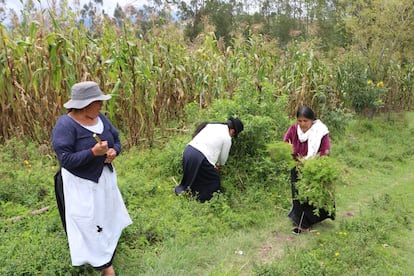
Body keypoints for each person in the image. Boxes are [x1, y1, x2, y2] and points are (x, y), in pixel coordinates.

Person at [52, 81, 132, 275]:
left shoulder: (101, 119)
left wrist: (114, 151)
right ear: (85, 105)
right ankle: (104, 266)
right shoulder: (66, 125)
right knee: (88, 222)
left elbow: (116, 139)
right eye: (98, 102)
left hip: (103, 181)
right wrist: (92, 153)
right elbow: (66, 160)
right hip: (79, 185)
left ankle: (106, 252)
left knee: (106, 216)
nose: (101, 106)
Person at [283, 106, 334, 234]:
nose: (302, 124)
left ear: (312, 120)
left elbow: (325, 151)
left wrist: (312, 163)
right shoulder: (294, 129)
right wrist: (287, 149)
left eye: (305, 121)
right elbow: (285, 143)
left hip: (314, 169)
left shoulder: (320, 131)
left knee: (312, 196)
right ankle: (301, 223)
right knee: (298, 196)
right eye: (299, 121)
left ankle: (306, 222)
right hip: (296, 167)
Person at [174, 117, 244, 202]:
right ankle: (206, 201)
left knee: (194, 177)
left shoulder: (211, 125)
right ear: (232, 131)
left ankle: (189, 195)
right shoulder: (227, 138)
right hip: (199, 157)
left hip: (188, 151)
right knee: (214, 180)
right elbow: (223, 157)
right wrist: (220, 165)